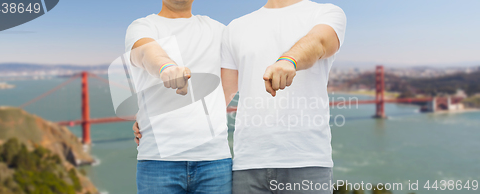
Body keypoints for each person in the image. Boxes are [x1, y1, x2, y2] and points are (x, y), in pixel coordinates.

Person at [220, 0, 346, 193]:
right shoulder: (235, 27)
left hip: (307, 163)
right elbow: (221, 95)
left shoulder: (326, 13)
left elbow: (319, 42)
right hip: (247, 164)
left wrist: (288, 60)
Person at [125, 0, 232, 193]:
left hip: (214, 159)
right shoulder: (143, 26)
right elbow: (145, 53)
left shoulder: (219, 31)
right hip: (158, 161)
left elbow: (230, 82)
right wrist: (166, 67)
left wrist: (209, 113)